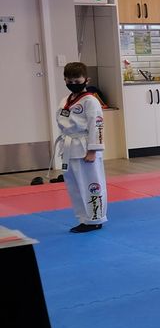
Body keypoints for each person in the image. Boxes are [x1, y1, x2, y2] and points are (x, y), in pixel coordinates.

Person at [56, 62, 107, 233]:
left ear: (86, 80)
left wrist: (93, 150)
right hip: (69, 148)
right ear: (65, 80)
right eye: (70, 80)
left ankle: (96, 219)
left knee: (92, 184)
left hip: (86, 148)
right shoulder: (65, 100)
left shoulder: (91, 101)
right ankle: (83, 219)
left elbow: (97, 125)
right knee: (75, 186)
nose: (73, 83)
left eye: (77, 80)